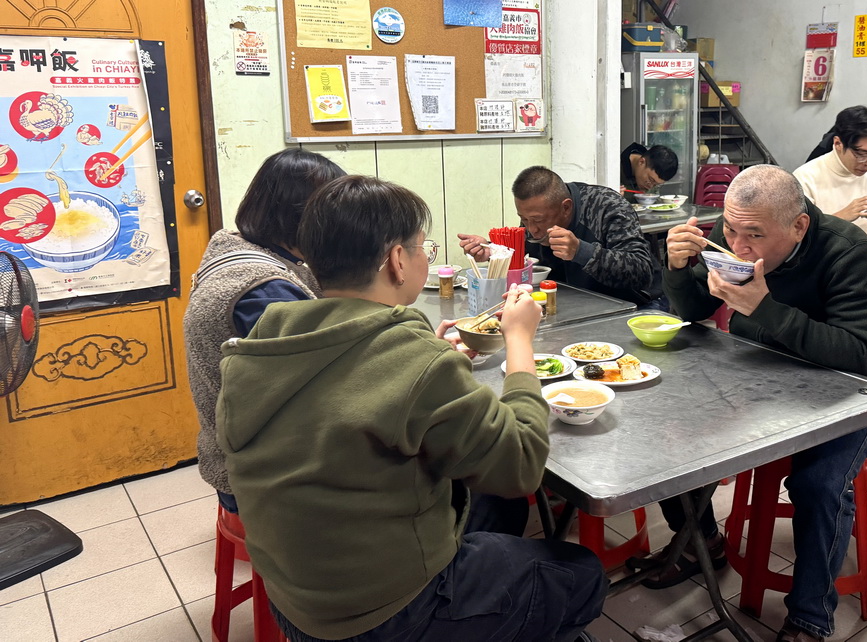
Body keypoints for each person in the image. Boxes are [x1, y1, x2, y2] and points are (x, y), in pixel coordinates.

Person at [217, 175, 607, 642]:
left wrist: (428, 358)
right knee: (581, 573)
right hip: (387, 617)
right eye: (423, 248)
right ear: (396, 261)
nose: (426, 257)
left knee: (486, 515)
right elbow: (520, 465)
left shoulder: (264, 342)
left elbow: (358, 396)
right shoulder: (410, 358)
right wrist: (519, 340)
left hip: (293, 604)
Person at [659, 165, 867, 642]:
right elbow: (694, 310)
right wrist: (679, 270)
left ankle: (809, 617)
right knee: (663, 424)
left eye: (754, 235)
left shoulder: (847, 252)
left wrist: (765, 309)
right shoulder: (734, 238)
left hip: (850, 396)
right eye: (729, 229)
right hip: (756, 378)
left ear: (799, 226)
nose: (738, 246)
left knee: (819, 482)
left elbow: (862, 356)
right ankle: (700, 540)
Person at [183, 148, 345, 513]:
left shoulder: (239, 243)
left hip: (238, 449)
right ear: (301, 220)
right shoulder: (264, 292)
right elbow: (321, 396)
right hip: (258, 476)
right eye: (333, 217)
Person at [459, 165, 656, 305]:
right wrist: (492, 249)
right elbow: (523, 249)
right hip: (567, 307)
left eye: (537, 220)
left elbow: (641, 272)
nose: (532, 229)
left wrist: (581, 251)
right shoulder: (534, 216)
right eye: (524, 219)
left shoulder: (608, 207)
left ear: (566, 207)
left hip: (628, 310)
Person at [794, 106, 867, 241]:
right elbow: (797, 239)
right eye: (861, 154)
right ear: (838, 143)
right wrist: (842, 217)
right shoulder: (805, 178)